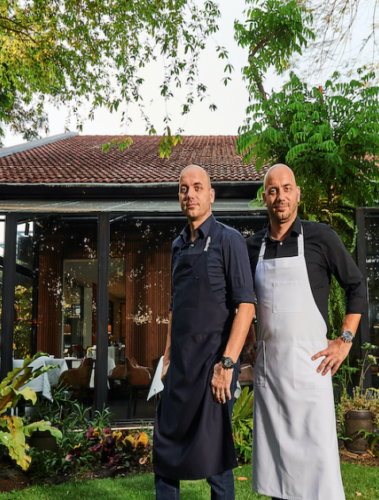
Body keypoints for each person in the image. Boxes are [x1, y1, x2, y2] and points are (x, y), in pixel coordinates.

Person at [245, 164, 368, 500]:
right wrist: (250, 341)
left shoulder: (321, 237)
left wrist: (344, 341)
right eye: (273, 190)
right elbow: (241, 303)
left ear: (297, 193)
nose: (280, 196)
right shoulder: (251, 247)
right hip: (270, 378)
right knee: (278, 478)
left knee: (319, 476)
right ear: (265, 198)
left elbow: (357, 286)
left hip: (313, 372)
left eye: (286, 188)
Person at [153, 165, 256, 500]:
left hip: (214, 368)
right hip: (179, 370)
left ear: (210, 195)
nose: (190, 194)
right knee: (164, 459)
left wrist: (227, 366)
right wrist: (167, 361)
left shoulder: (230, 240)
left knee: (215, 464)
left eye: (197, 187)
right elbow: (175, 307)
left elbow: (246, 306)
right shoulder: (177, 245)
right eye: (183, 188)